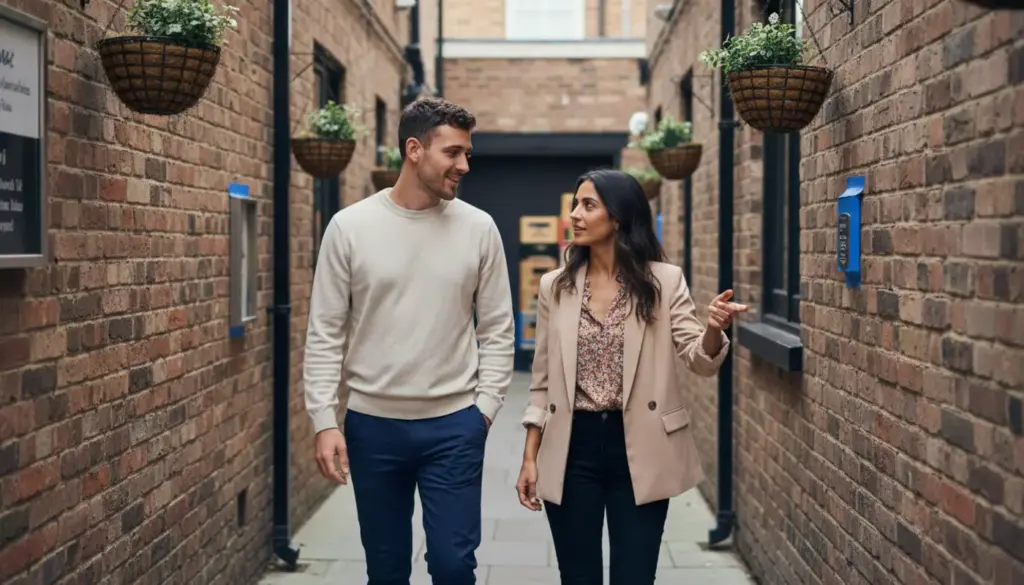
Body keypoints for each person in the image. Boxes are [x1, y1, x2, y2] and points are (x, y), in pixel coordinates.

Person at [303, 97, 515, 585]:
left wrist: (484, 409)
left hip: (454, 427)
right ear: (414, 149)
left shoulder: (479, 228)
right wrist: (323, 419)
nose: (464, 165)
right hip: (373, 427)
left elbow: (498, 328)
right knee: (386, 566)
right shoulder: (350, 227)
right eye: (453, 153)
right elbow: (325, 331)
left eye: (467, 154)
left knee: (453, 564)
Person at [514, 169, 748, 585]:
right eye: (575, 205)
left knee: (635, 576)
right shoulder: (555, 286)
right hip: (571, 447)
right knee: (578, 576)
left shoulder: (663, 281)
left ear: (618, 217)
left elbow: (699, 357)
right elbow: (542, 379)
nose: (576, 215)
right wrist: (530, 457)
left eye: (588, 205)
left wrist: (714, 327)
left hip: (640, 444)